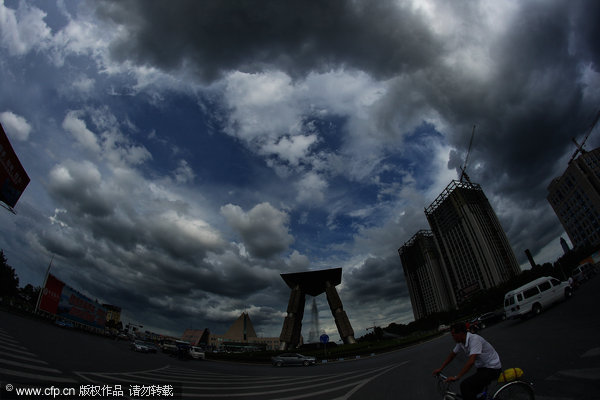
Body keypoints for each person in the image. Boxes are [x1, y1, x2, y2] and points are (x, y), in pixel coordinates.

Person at [433, 322, 502, 400]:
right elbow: (452, 355)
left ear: (461, 333)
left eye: (453, 334)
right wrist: (441, 368)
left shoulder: (474, 339)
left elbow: (471, 361)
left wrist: (457, 377)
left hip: (492, 368)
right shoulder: (461, 342)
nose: (452, 337)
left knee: (465, 385)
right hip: (482, 368)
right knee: (473, 393)